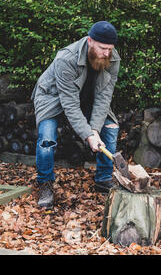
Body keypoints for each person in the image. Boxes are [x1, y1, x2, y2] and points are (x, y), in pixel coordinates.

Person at [31, 21, 121, 208]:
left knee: (110, 128)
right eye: (103, 48)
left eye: (110, 48)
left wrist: (95, 129)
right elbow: (69, 104)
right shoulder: (66, 58)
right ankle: (45, 183)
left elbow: (104, 97)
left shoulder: (113, 59)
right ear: (90, 41)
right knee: (46, 139)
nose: (106, 53)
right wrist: (88, 135)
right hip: (52, 96)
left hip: (87, 97)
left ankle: (103, 179)